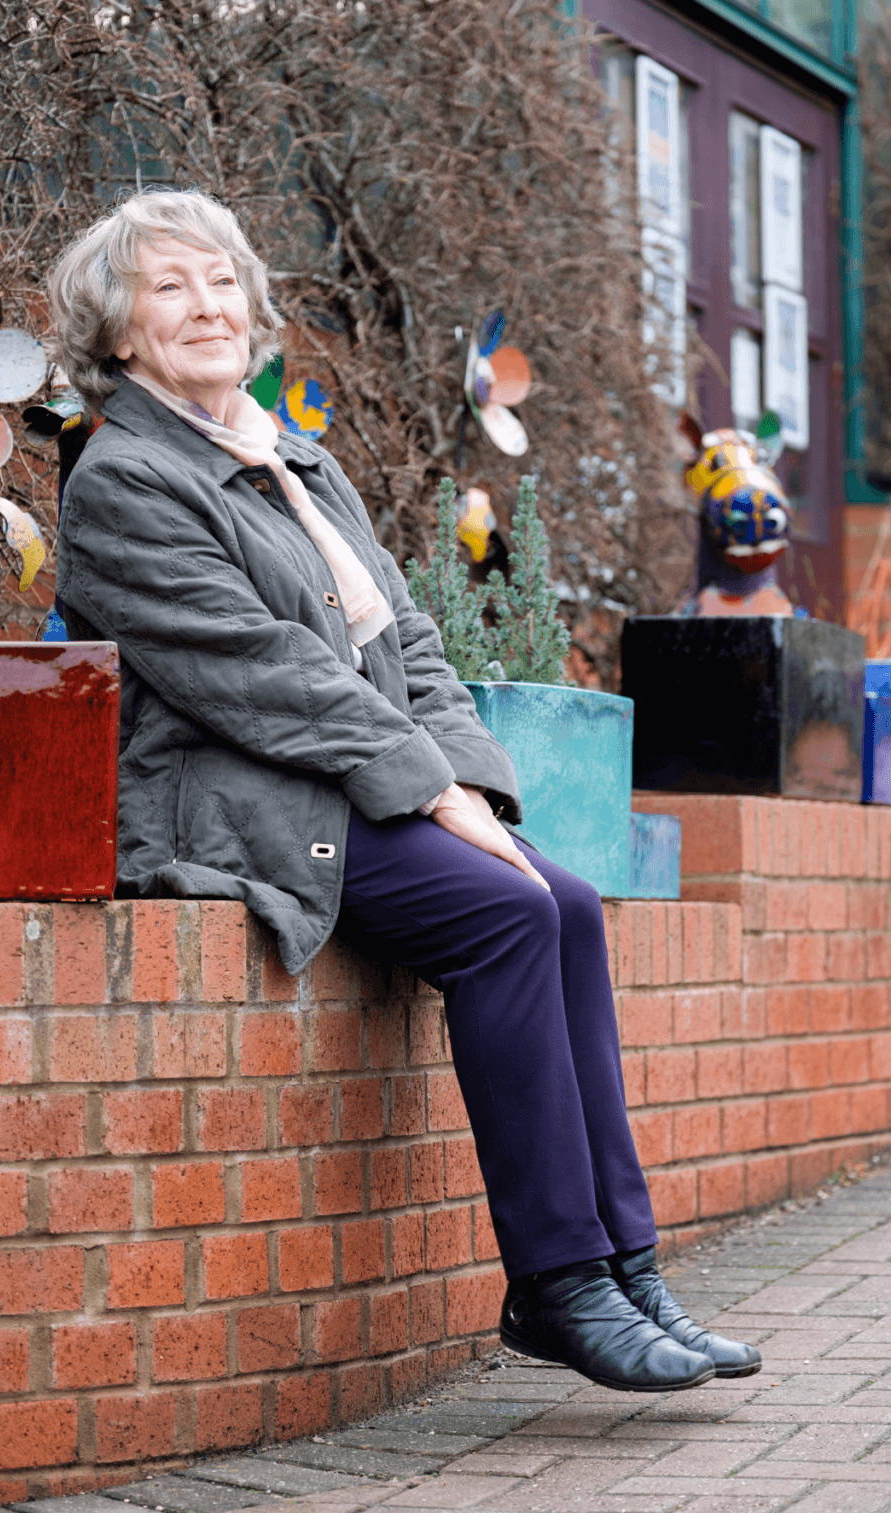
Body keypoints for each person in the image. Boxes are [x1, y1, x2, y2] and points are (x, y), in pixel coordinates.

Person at [51, 188, 760, 1393]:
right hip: (241, 795)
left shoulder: (296, 460)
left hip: (354, 777)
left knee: (570, 904)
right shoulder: (123, 481)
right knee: (505, 911)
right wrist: (434, 794)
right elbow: (260, 676)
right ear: (118, 334)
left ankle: (627, 1264)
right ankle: (556, 1283)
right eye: (167, 288)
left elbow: (411, 642)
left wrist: (469, 782)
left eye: (220, 281)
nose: (205, 306)